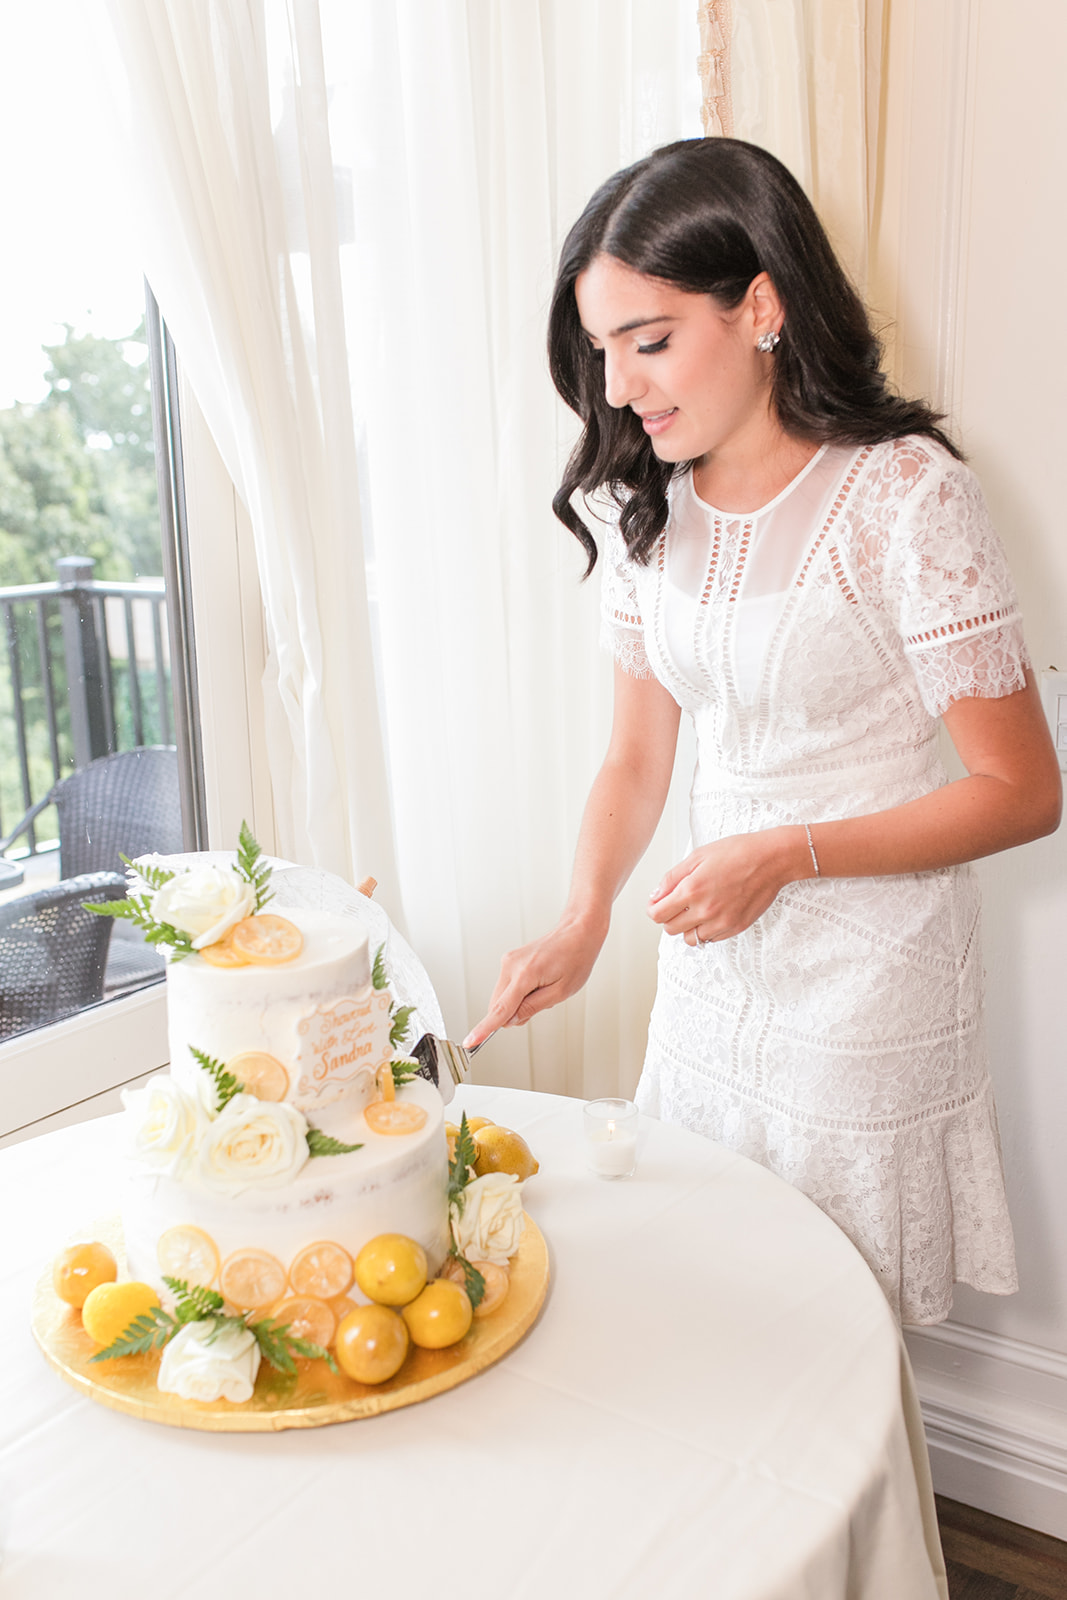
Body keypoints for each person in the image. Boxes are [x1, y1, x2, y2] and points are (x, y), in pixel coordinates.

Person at [464, 138, 1061, 1324]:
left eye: (648, 341)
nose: (618, 387)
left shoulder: (904, 496)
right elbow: (635, 759)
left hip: (868, 975)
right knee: (711, 1298)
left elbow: (1022, 789)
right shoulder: (651, 512)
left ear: (760, 307)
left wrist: (785, 854)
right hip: (712, 962)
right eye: (600, 350)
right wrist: (583, 920)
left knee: (834, 1322)